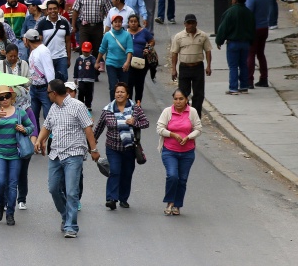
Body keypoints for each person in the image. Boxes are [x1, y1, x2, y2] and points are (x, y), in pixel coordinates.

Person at [34, 79, 101, 239]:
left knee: (71, 192)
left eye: (48, 92)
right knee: (53, 188)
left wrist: (94, 150)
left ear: (54, 93)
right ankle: (65, 215)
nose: (47, 95)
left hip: (73, 154)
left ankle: (71, 226)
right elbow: (47, 127)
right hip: (55, 154)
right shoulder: (53, 108)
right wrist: (39, 140)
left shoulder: (78, 106)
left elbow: (88, 129)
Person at [93, 82, 149, 210]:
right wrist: (92, 142)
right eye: (117, 92)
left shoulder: (135, 109)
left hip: (130, 148)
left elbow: (146, 123)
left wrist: (135, 122)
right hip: (112, 148)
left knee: (127, 173)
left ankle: (123, 198)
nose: (119, 94)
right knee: (115, 171)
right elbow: (99, 127)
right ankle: (111, 198)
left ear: (128, 95)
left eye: (122, 92)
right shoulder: (108, 110)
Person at [157, 89, 202, 216]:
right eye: (175, 99)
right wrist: (171, 134)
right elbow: (159, 128)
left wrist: (189, 137)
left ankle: (177, 205)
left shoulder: (192, 112)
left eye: (181, 99)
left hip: (187, 152)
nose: (178, 101)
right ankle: (169, 202)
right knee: (172, 176)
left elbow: (198, 129)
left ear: (186, 100)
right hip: (169, 151)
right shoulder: (167, 112)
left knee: (182, 179)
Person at [169, 14, 213, 115]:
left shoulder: (202, 35)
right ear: (185, 24)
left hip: (198, 67)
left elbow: (208, 51)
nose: (191, 25)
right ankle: (185, 114)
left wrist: (208, 66)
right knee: (183, 93)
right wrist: (174, 69)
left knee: (199, 94)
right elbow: (174, 53)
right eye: (189, 23)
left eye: (193, 23)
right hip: (184, 67)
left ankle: (196, 115)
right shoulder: (179, 37)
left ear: (196, 23)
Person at [215, 0, 256, 95]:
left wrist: (219, 40)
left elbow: (223, 28)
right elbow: (252, 29)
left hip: (233, 43)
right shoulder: (248, 13)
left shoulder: (230, 12)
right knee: (243, 64)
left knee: (233, 66)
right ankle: (244, 86)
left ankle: (233, 88)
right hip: (245, 43)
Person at [98, 15, 133, 101]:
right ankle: (113, 105)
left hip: (123, 64)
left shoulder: (127, 35)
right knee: (113, 87)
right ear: (112, 23)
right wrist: (97, 61)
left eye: (119, 22)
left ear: (122, 23)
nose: (117, 24)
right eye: (115, 22)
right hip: (111, 64)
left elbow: (130, 50)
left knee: (124, 87)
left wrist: (127, 62)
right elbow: (102, 49)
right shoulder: (107, 35)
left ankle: (124, 105)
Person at [23, 29, 57, 120]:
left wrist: (51, 86)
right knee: (33, 117)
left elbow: (49, 69)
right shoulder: (33, 51)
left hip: (44, 88)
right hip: (34, 88)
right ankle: (36, 134)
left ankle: (49, 135)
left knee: (48, 117)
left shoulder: (43, 50)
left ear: (27, 40)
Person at [245, 0, 270, 89]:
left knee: (250, 54)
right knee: (261, 54)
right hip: (264, 27)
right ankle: (264, 78)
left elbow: (248, 12)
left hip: (254, 28)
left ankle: (249, 80)